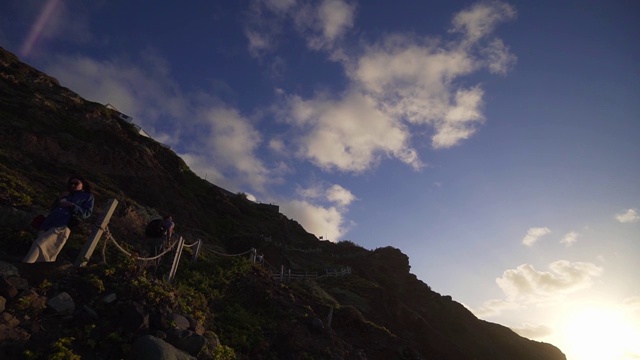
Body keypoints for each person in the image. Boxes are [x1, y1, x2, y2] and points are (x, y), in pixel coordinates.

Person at [23, 176, 95, 263]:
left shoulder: (87, 196)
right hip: (49, 223)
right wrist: (61, 198)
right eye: (71, 183)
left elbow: (86, 213)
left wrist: (72, 205)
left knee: (39, 245)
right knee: (45, 249)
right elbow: (53, 208)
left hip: (63, 224)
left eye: (76, 183)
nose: (73, 185)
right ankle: (37, 268)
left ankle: (27, 263)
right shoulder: (67, 194)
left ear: (83, 185)